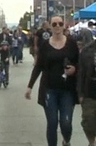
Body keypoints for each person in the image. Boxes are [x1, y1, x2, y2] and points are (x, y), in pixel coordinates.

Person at [26, 16, 79, 146]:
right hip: (49, 89)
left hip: (67, 90)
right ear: (50, 26)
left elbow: (79, 62)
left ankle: (66, 140)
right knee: (52, 122)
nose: (57, 26)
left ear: (63, 25)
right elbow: (39, 66)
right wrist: (29, 86)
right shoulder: (45, 45)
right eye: (54, 24)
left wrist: (74, 69)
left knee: (66, 123)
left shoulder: (71, 43)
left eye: (60, 24)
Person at [77, 29, 96, 146]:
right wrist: (80, 93)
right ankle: (91, 142)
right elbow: (81, 73)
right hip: (90, 90)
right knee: (88, 120)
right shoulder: (87, 50)